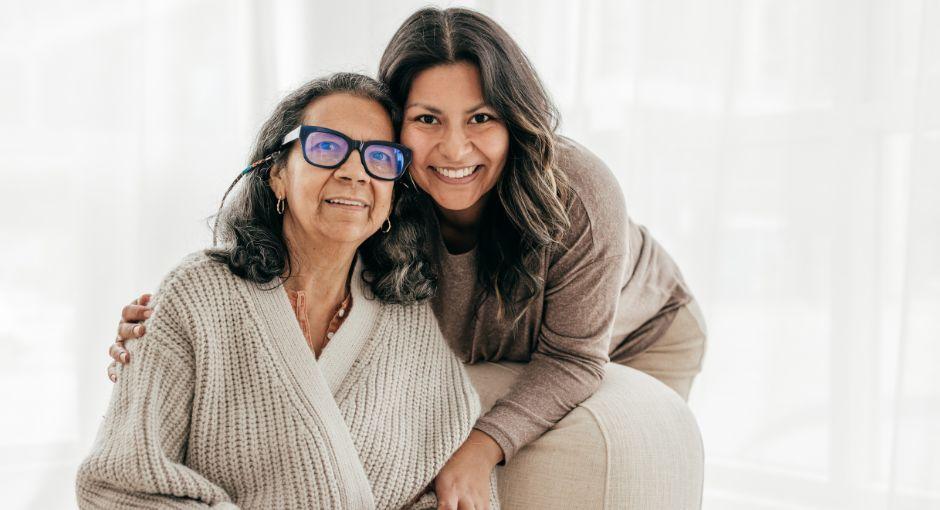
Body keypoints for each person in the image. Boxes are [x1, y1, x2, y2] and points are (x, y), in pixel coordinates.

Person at [109, 7, 707, 509]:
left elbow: (573, 358)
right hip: (486, 347)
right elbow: (286, 259)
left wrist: (480, 449)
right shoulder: (383, 190)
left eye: (482, 118)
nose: (453, 147)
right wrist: (167, 336)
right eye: (426, 120)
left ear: (514, 121)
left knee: (624, 456)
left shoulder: (575, 189)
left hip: (639, 332)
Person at [79, 73, 498, 509]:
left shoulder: (410, 321)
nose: (355, 173)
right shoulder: (196, 297)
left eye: (380, 157)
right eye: (326, 147)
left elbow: (448, 495)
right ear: (277, 173)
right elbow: (119, 484)